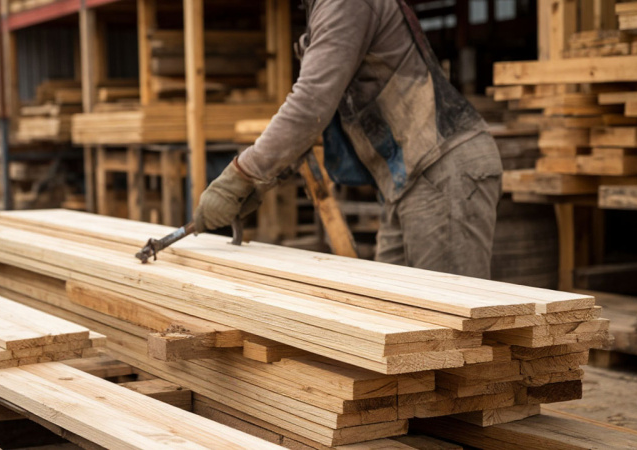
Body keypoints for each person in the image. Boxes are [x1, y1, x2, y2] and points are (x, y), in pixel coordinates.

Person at [193, 0, 502, 279]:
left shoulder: (344, 4)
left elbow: (310, 104)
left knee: (446, 313)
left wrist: (239, 176)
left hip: (442, 169)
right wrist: (261, 181)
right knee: (390, 309)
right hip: (409, 177)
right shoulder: (324, 8)